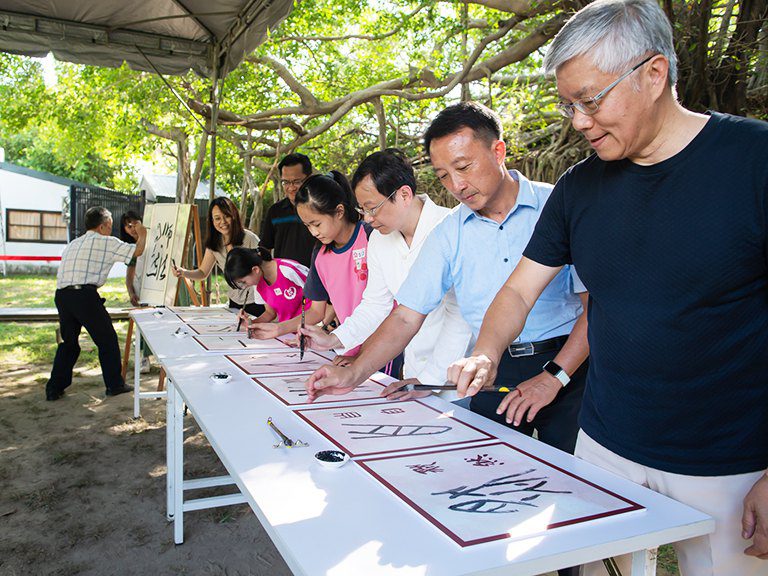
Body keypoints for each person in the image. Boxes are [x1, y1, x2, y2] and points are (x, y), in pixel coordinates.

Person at [449, 1, 768, 574]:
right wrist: (487, 352)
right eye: (568, 105)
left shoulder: (754, 161)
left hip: (730, 461)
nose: (578, 121)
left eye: (591, 101)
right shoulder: (579, 188)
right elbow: (519, 292)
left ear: (654, 73)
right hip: (605, 447)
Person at [305, 103, 589, 462]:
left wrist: (556, 376)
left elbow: (595, 307)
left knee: (579, 482)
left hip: (569, 367)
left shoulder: (559, 205)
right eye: (443, 176)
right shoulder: (448, 233)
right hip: (490, 370)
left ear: (498, 151)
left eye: (464, 167)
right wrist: (355, 373)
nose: (457, 186)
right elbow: (405, 316)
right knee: (486, 471)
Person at [299, 149, 472, 390]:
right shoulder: (379, 241)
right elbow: (375, 305)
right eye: (363, 210)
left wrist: (430, 379)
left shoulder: (453, 228)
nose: (367, 219)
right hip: (413, 372)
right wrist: (334, 338)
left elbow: (461, 315)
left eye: (372, 208)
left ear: (404, 195)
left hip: (458, 374)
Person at [249, 171, 402, 377]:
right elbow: (315, 311)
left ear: (339, 211)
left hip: (384, 348)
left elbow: (386, 306)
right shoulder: (320, 254)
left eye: (317, 224)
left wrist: (362, 356)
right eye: (307, 226)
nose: (313, 232)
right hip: (346, 346)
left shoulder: (371, 237)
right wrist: (278, 329)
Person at [46, 206, 146, 400]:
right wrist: (142, 232)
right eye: (110, 225)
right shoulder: (106, 242)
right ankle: (114, 385)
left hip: (62, 295)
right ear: (103, 226)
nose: (111, 229)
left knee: (69, 343)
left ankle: (54, 388)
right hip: (83, 295)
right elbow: (138, 250)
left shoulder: (74, 243)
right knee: (107, 340)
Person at [172, 196, 264, 316]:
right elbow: (202, 272)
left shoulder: (250, 239)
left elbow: (265, 269)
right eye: (217, 218)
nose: (223, 222)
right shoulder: (214, 244)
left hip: (257, 300)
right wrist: (183, 272)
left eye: (226, 216)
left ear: (234, 215)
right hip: (235, 302)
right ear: (212, 221)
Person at [224, 246, 311, 325]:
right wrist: (250, 323)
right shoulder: (258, 283)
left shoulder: (288, 270)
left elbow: (318, 295)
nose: (245, 286)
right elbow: (270, 313)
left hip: (310, 327)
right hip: (289, 331)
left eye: (244, 282)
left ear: (255, 269)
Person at [259, 153, 317, 267]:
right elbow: (265, 247)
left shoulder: (322, 208)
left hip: (318, 273)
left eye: (297, 182)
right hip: (285, 275)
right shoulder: (275, 211)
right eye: (285, 182)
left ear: (309, 178)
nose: (291, 188)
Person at [119, 210, 151, 373]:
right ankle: (144, 357)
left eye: (134, 224)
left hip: (158, 286)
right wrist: (131, 292)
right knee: (142, 324)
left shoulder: (154, 239)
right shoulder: (131, 249)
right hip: (141, 290)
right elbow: (129, 275)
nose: (132, 228)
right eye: (128, 226)